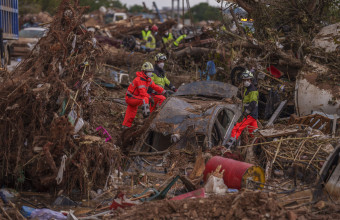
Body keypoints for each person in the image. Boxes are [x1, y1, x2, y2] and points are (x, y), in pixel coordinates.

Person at [122, 62, 166, 128]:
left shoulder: (148, 79)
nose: (150, 73)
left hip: (136, 98)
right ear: (144, 71)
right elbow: (143, 93)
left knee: (161, 98)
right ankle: (146, 119)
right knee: (145, 99)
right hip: (131, 98)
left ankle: (153, 116)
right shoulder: (139, 79)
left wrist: (164, 91)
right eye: (149, 71)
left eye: (151, 71)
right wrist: (150, 97)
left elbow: (155, 86)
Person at [225, 70, 258, 148]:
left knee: (237, 128)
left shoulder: (253, 90)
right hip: (253, 115)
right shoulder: (247, 89)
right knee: (253, 132)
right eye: (244, 80)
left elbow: (253, 103)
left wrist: (246, 113)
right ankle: (257, 146)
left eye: (247, 80)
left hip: (250, 114)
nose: (246, 82)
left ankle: (229, 147)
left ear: (251, 80)